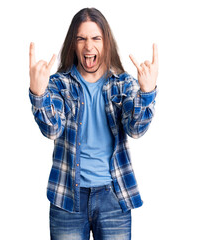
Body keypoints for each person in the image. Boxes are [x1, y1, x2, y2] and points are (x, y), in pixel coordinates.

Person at [29, 7, 158, 240]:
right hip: (67, 197)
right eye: (81, 38)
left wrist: (147, 92)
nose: (89, 46)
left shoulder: (122, 83)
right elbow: (52, 129)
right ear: (73, 44)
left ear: (106, 42)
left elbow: (136, 129)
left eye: (96, 38)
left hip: (113, 197)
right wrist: (38, 94)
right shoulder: (59, 84)